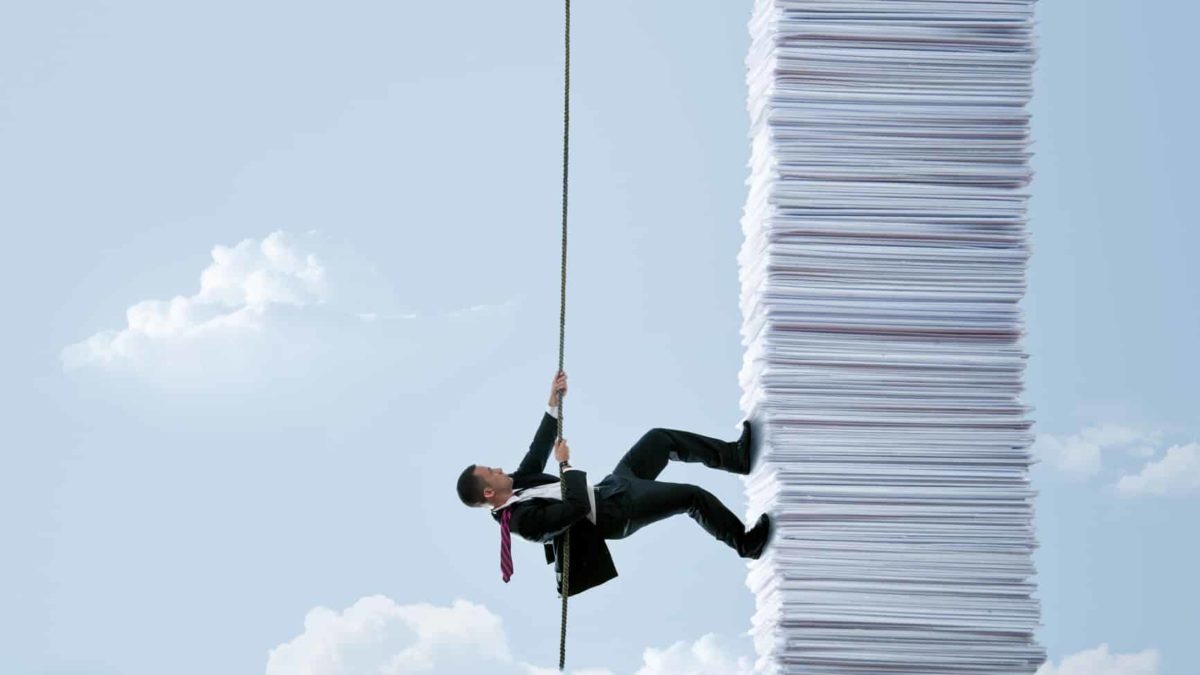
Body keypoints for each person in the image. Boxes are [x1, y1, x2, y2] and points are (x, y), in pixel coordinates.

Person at [456, 370, 773, 596]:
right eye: (491, 470)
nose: (499, 468)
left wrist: (553, 402)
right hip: (616, 513)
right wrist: (565, 464)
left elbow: (537, 450)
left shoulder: (519, 484)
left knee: (658, 439)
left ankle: (736, 457)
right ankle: (745, 544)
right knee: (692, 497)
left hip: (611, 487)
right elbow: (576, 508)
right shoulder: (523, 523)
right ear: (488, 491)